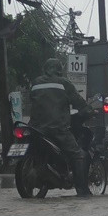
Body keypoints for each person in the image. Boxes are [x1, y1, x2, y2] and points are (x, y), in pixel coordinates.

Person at [29, 58, 94, 197]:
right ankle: (82, 191)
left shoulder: (36, 82)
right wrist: (89, 110)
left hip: (35, 129)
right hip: (57, 128)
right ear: (59, 69)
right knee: (78, 155)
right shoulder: (63, 83)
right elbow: (78, 101)